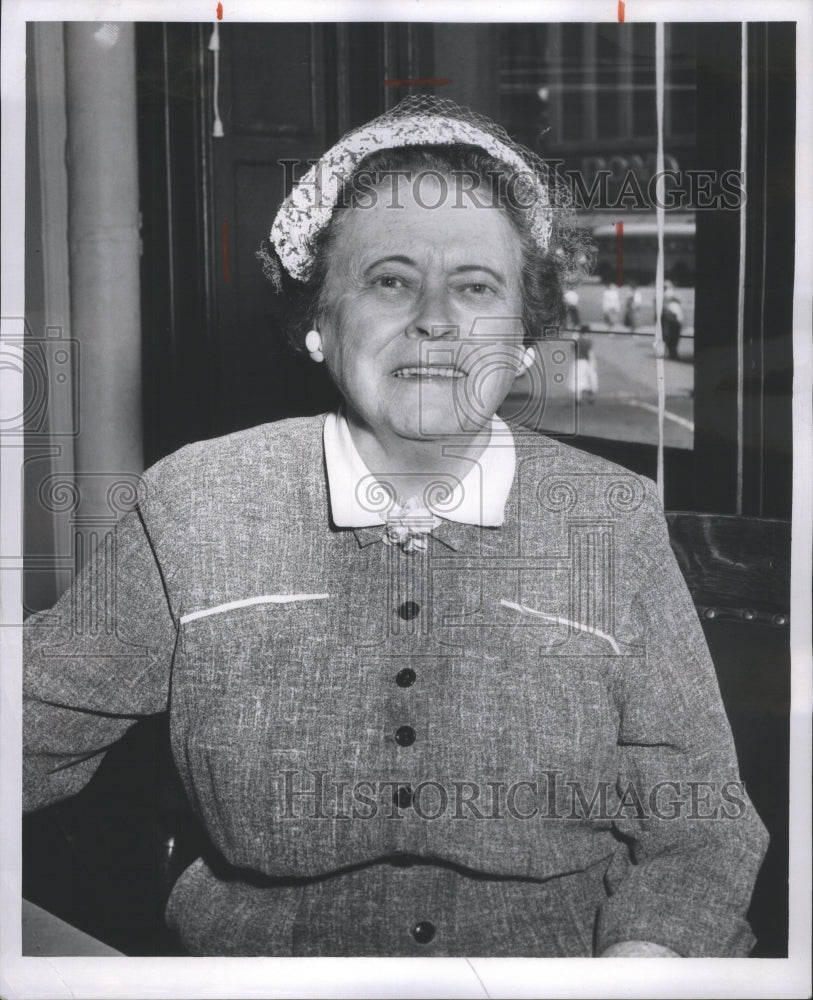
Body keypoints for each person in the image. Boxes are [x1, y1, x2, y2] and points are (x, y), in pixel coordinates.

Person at [23, 96, 767, 958]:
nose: (436, 319)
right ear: (316, 326)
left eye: (476, 287)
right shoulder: (196, 503)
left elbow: (700, 825)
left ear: (525, 337)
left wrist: (638, 965)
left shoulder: (610, 518)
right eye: (389, 280)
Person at [661, 281, 684, 359]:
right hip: (668, 319)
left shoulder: (674, 296)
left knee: (674, 336)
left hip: (674, 319)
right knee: (668, 336)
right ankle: (671, 353)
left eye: (668, 287)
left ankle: (673, 353)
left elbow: (678, 307)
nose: (667, 289)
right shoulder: (663, 296)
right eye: (665, 287)